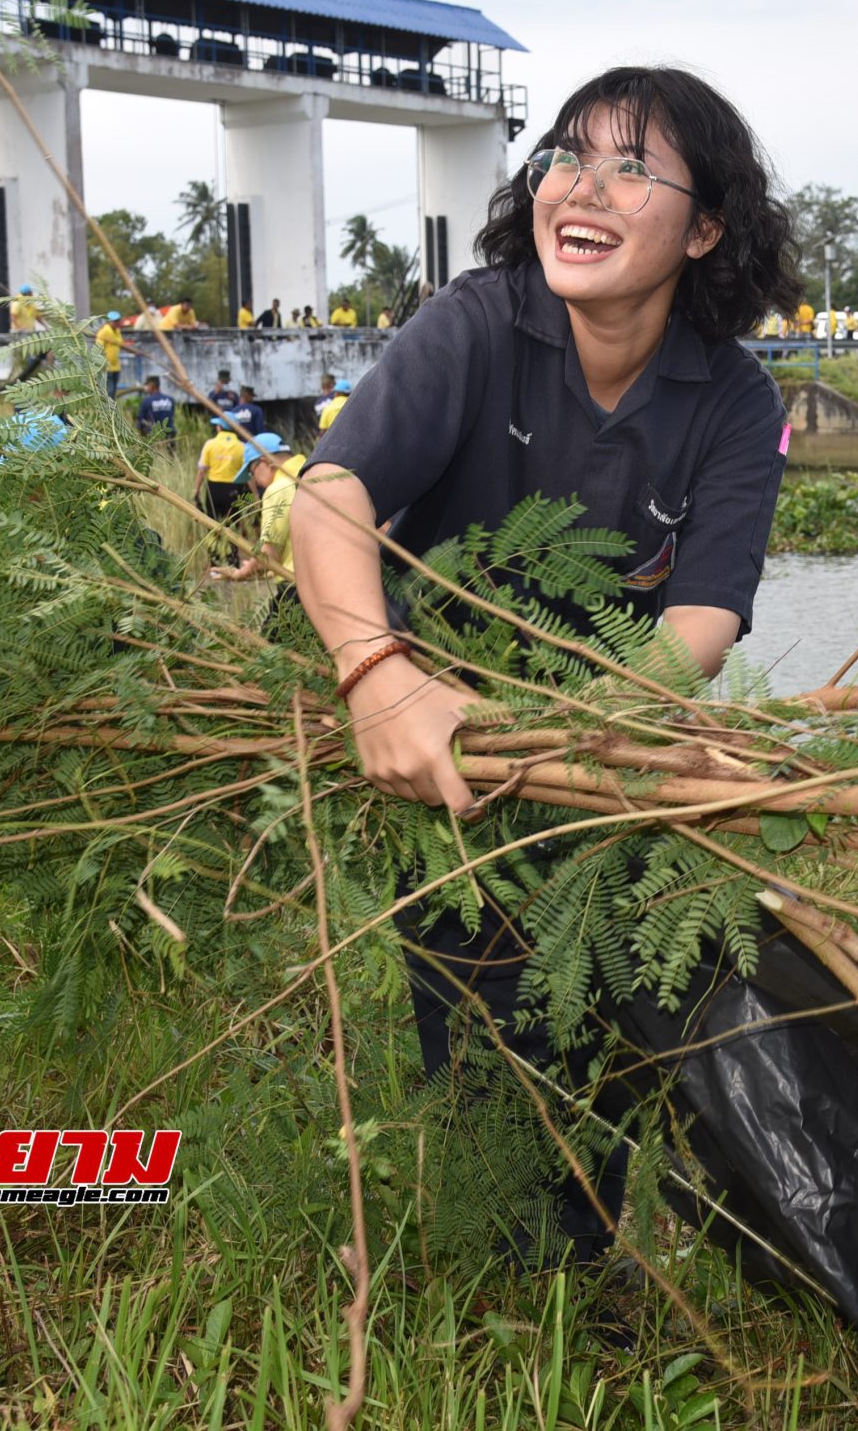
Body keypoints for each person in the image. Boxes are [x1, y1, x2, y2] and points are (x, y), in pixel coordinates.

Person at [291, 65, 799, 1262]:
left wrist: (578, 735)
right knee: (475, 1016)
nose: (585, 187)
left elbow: (703, 621)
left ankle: (582, 1265)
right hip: (436, 752)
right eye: (568, 156)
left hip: (602, 761)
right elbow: (332, 491)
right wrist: (375, 672)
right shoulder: (475, 324)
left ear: (706, 227)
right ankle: (502, 1285)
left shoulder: (734, 399)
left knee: (609, 1018)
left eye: (634, 168)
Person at [216, 432, 303, 582]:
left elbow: (269, 556)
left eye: (251, 472)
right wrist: (255, 565)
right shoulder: (316, 475)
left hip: (297, 586)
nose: (254, 481)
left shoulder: (278, 489)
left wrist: (241, 573)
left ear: (265, 461)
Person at [195, 415, 248, 566]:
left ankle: (215, 560)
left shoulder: (210, 444)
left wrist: (196, 491)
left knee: (212, 525)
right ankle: (233, 560)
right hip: (234, 490)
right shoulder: (242, 447)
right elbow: (247, 475)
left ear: (220, 427)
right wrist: (255, 495)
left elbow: (201, 470)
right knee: (233, 525)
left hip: (214, 489)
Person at [133, 373, 178, 444]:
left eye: (146, 385)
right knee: (171, 454)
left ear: (151, 385)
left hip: (154, 437)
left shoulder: (146, 401)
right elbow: (171, 416)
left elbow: (140, 422)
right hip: (170, 435)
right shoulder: (170, 399)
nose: (145, 387)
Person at [95, 315, 129, 397]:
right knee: (109, 390)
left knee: (113, 390)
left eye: (118, 321)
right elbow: (98, 349)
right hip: (107, 366)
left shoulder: (117, 332)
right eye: (115, 321)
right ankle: (109, 408)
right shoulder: (104, 332)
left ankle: (112, 407)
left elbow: (120, 344)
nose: (117, 323)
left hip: (116, 366)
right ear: (109, 322)